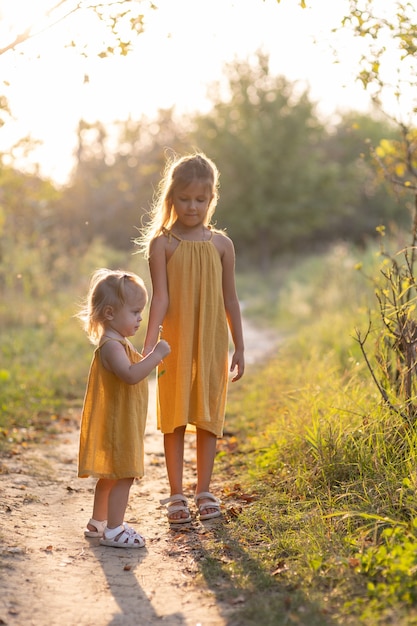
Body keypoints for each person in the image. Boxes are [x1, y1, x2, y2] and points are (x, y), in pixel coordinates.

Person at [137, 152, 245, 524]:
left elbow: (230, 298)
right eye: (185, 199)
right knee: (175, 416)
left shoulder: (222, 246)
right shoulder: (163, 244)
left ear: (212, 198)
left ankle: (204, 490)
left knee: (207, 415)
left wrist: (240, 346)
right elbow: (160, 299)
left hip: (213, 342)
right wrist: (149, 346)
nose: (192, 206)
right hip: (176, 344)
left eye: (201, 199)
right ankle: (176, 494)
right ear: (171, 197)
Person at [76, 268, 170, 547]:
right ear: (109, 313)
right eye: (135, 312)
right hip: (118, 425)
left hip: (119, 422)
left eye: (141, 312)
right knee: (124, 474)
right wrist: (157, 356)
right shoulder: (112, 347)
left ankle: (97, 523)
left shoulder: (118, 342)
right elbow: (131, 375)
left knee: (109, 474)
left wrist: (150, 357)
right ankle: (115, 529)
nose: (140, 318)